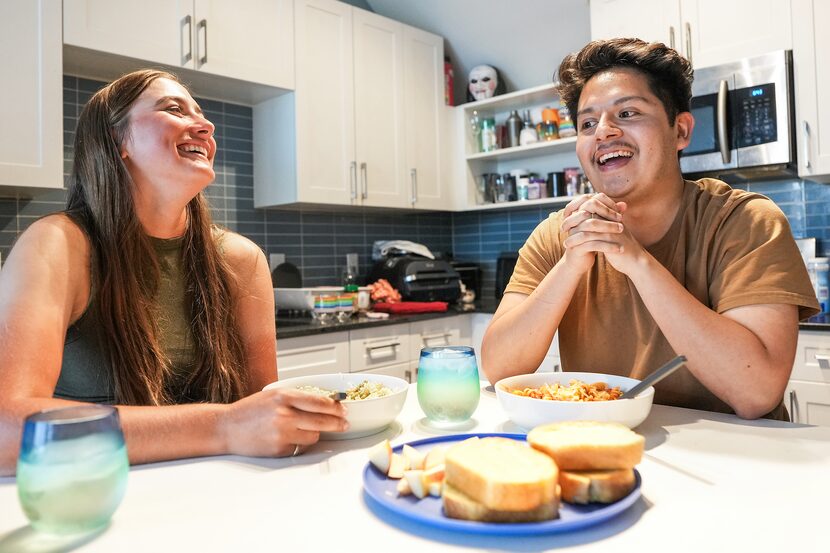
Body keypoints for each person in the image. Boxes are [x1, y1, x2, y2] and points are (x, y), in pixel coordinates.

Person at [0, 70, 348, 475]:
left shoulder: (241, 260)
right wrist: (223, 426)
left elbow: (262, 417)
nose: (206, 125)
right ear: (117, 141)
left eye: (200, 113)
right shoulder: (57, 245)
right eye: (173, 109)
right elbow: (8, 428)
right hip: (97, 499)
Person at [481, 39, 819, 420]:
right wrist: (571, 265)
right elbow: (499, 369)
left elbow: (755, 393)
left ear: (681, 131)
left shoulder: (744, 221)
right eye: (587, 123)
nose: (604, 132)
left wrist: (636, 260)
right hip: (606, 450)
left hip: (734, 461)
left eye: (627, 113)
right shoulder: (557, 236)